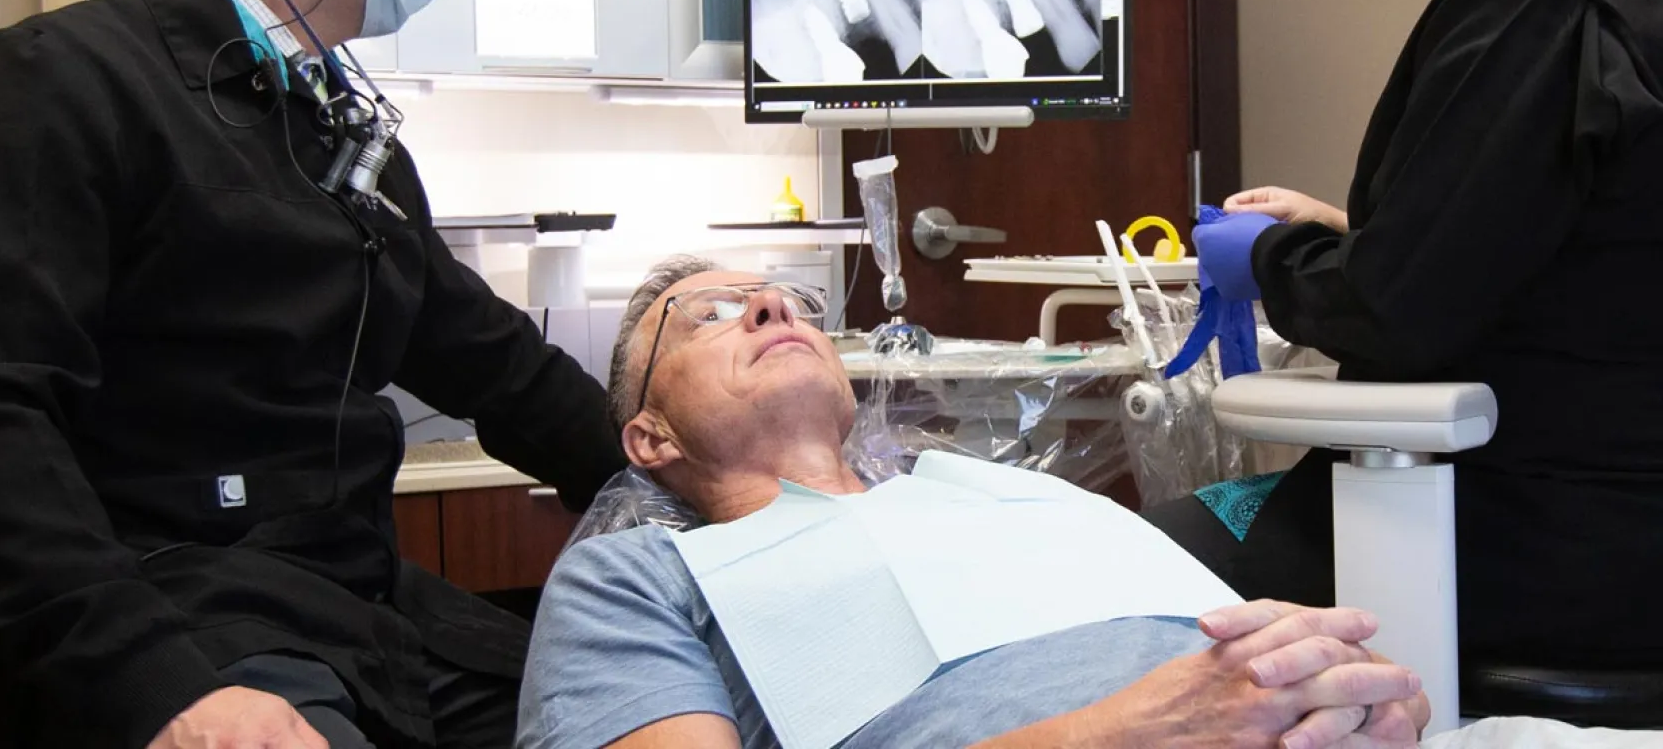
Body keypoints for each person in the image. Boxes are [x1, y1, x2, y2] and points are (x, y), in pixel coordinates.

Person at [0, 0, 626, 749]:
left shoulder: (331, 116)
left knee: (657, 711)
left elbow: (492, 363)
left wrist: (674, 487)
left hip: (356, 615)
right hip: (173, 632)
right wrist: (163, 691)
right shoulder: (45, 87)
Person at [1146, 0, 1663, 672]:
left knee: (1125, 559)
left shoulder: (1532, 6)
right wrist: (1348, 229)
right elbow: (1578, 252)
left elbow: (1398, 313)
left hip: (1533, 537)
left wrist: (1273, 257)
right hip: (1622, 516)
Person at [517, 257, 1430, 749]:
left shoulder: (1006, 499)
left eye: (788, 301)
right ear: (652, 439)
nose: (771, 309)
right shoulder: (635, 576)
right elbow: (1185, 712)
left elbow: (1234, 675)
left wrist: (1352, 697)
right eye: (709, 315)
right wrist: (1131, 733)